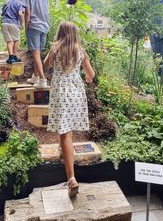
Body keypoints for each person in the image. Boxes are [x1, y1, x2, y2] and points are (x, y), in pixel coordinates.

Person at [44, 21, 95, 197]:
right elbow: (91, 74)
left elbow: (46, 65)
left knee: (64, 133)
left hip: (60, 93)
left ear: (60, 32)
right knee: (67, 131)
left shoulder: (56, 48)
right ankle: (64, 154)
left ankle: (71, 178)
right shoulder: (80, 50)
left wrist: (52, 51)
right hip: (75, 93)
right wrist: (87, 78)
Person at [22, 0, 50, 88]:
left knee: (36, 53)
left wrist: (26, 26)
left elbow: (27, 12)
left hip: (34, 25)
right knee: (38, 53)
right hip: (44, 26)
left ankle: (43, 80)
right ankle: (35, 77)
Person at [1, 0, 23, 64]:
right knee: (16, 39)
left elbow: (2, 12)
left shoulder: (6, 2)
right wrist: (21, 24)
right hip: (13, 23)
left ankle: (10, 57)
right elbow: (20, 14)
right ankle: (14, 55)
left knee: (9, 41)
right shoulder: (19, 3)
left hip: (4, 23)